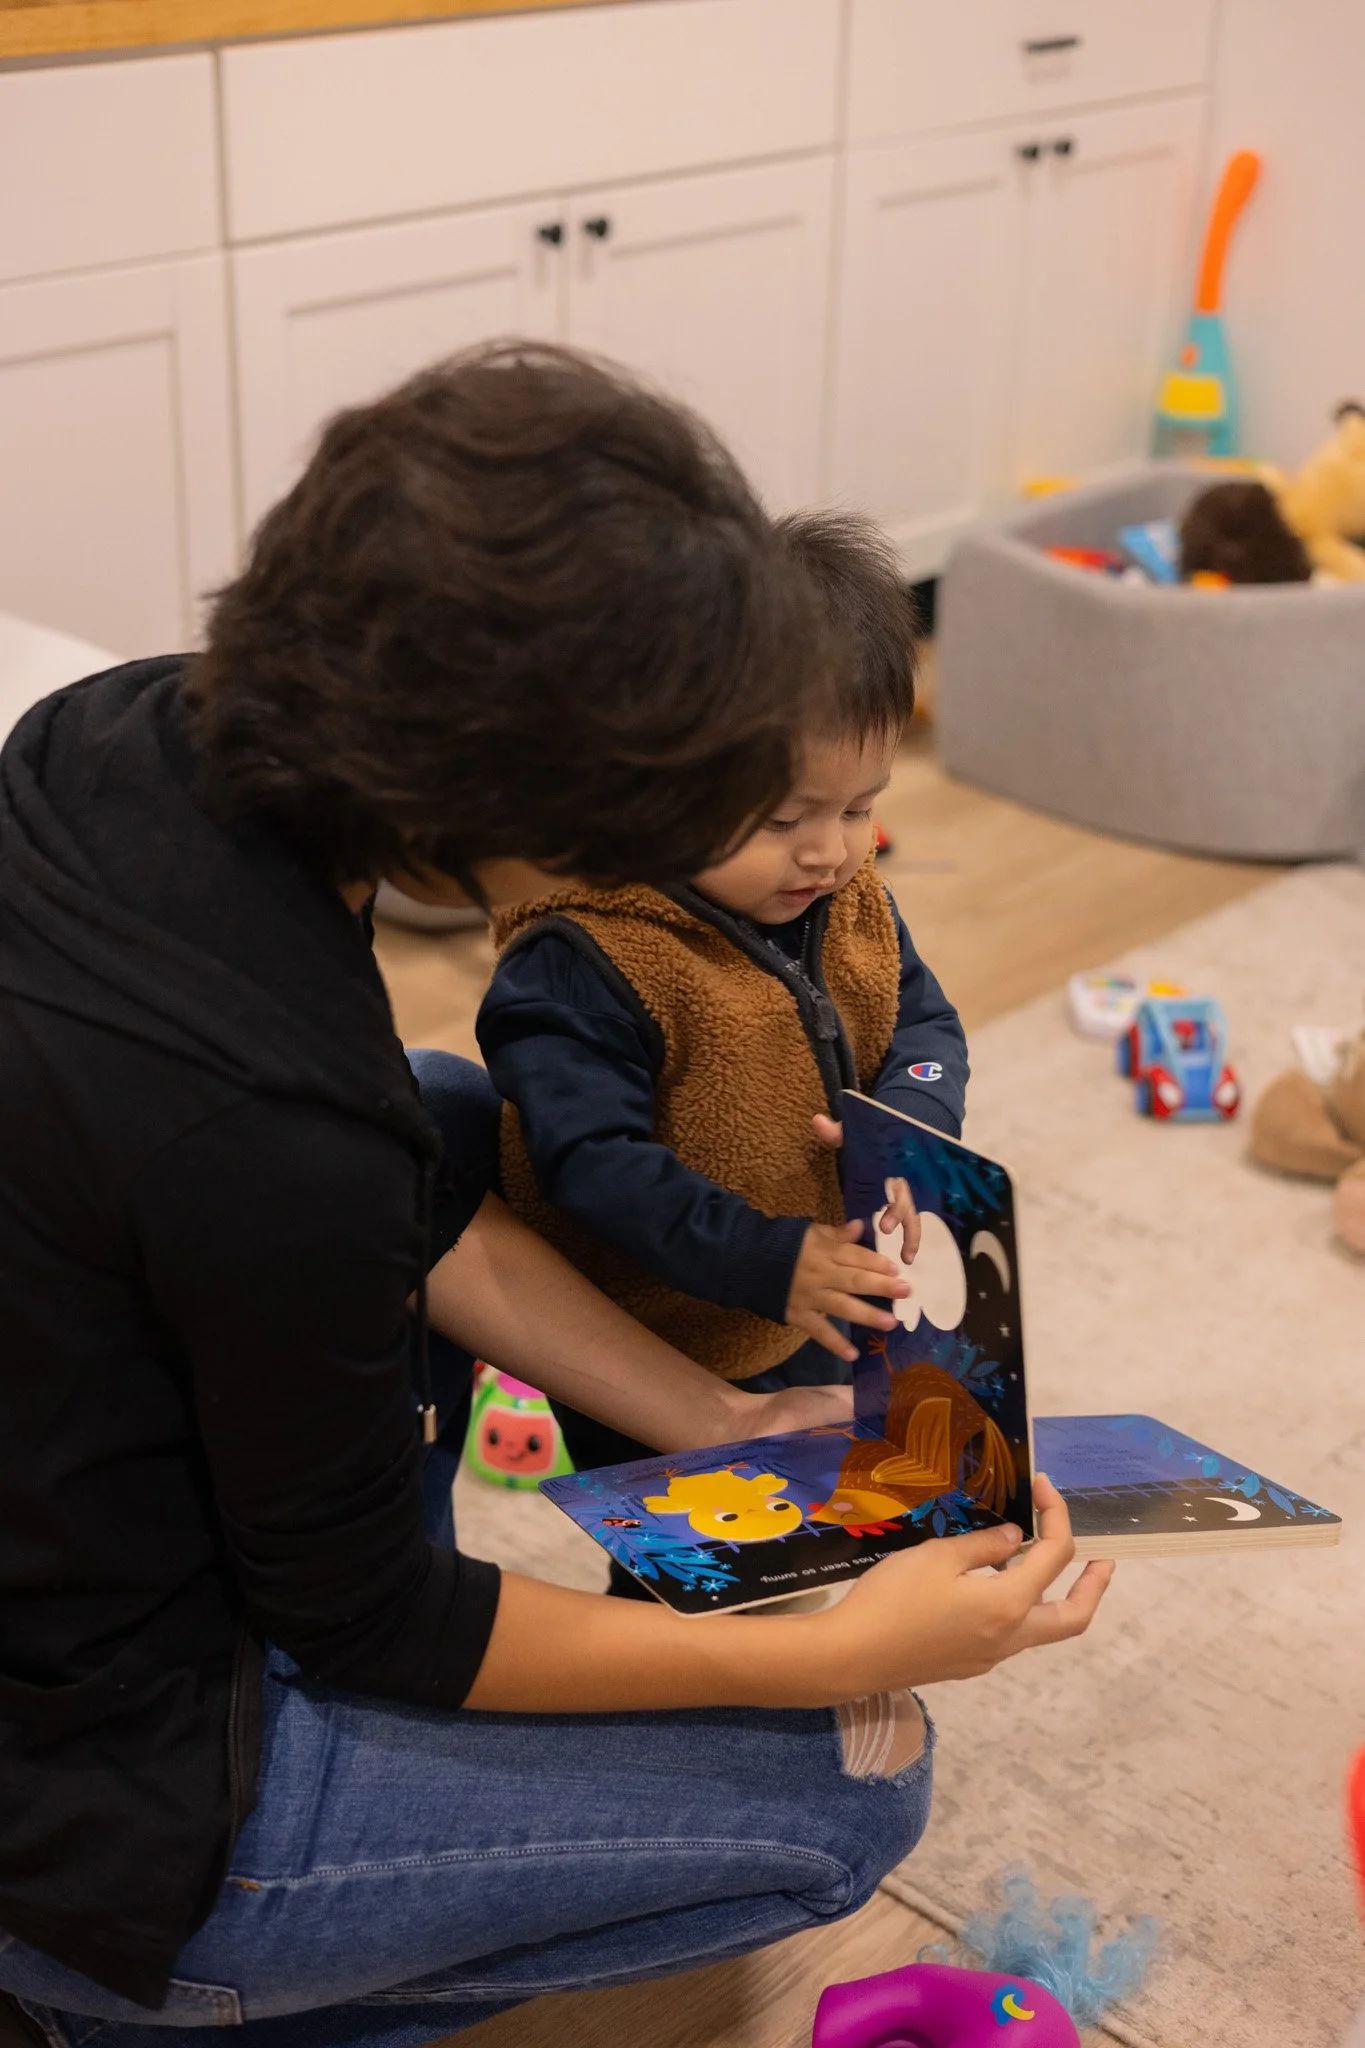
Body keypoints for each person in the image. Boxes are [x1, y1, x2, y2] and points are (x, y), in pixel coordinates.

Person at [0, 343, 1112, 2048]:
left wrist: (714, 1417)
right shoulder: (263, 1126)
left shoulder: (128, 726)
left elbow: (391, 1176)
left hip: (95, 1508)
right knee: (861, 1781)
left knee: (442, 1107)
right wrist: (808, 1654)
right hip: (101, 1816)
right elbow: (376, 1611)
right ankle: (152, 2012)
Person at [477, 513, 965, 1579]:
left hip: (820, 1287)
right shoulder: (583, 957)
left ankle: (805, 1646)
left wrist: (916, 1122)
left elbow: (924, 1021)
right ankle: (688, 1716)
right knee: (698, 1555)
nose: (832, 849)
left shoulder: (846, 893)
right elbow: (590, 1163)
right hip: (653, 1335)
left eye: (862, 807)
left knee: (833, 1509)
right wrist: (766, 1258)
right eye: (788, 817)